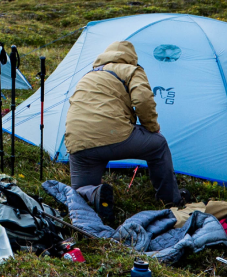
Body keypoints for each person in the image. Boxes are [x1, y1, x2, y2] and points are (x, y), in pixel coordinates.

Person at [64, 39, 184, 206]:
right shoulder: (131, 70)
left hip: (77, 143)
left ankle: (94, 196)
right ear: (131, 57)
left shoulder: (88, 75)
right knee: (159, 145)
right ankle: (170, 201)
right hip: (114, 136)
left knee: (81, 193)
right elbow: (143, 100)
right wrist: (152, 128)